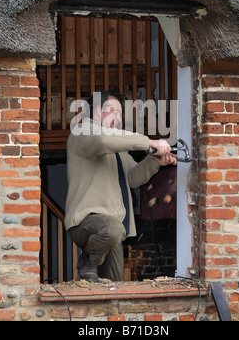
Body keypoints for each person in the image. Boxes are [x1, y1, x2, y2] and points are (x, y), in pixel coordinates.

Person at [65, 91, 177, 282]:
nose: (118, 119)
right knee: (112, 230)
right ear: (99, 110)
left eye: (120, 115)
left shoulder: (116, 147)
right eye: (114, 112)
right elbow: (103, 139)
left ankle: (93, 273)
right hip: (89, 223)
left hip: (114, 230)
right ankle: (87, 259)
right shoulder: (82, 131)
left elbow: (132, 178)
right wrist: (149, 142)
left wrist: (155, 161)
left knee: (114, 288)